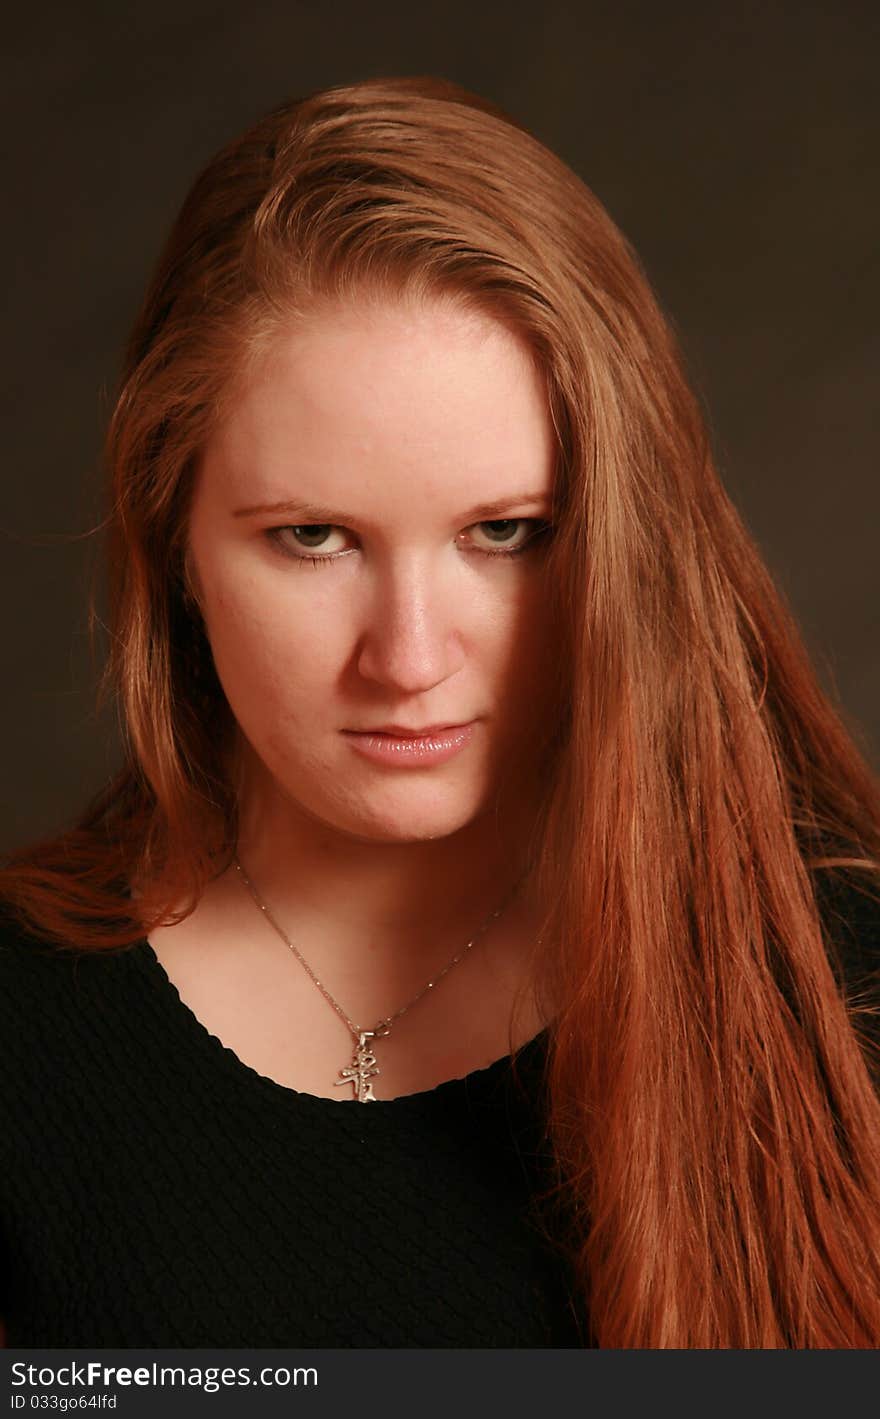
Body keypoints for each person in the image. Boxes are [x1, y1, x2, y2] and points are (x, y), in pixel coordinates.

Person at [1, 75, 879, 1350]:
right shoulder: (22, 1036)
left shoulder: (842, 992)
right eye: (311, 537)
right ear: (169, 533)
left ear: (627, 541)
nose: (409, 658)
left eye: (506, 534)